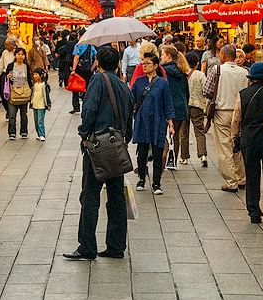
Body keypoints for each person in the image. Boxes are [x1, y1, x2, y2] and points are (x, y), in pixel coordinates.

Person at [64, 46, 133, 261]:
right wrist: (124, 140)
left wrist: (84, 134)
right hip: (117, 145)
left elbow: (90, 109)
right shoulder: (123, 85)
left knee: (90, 194)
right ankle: (116, 246)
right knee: (116, 196)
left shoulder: (98, 80)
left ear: (98, 62)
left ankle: (87, 246)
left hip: (98, 145)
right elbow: (130, 113)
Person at [236, 61, 263, 222]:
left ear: (252, 78)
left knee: (252, 176)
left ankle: (254, 211)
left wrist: (236, 138)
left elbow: (237, 118)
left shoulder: (243, 94)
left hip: (249, 140)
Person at [206, 44, 249, 192]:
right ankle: (242, 178)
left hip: (222, 111)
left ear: (223, 56)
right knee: (237, 145)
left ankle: (232, 182)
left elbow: (207, 90)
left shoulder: (217, 70)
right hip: (239, 113)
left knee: (225, 147)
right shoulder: (244, 72)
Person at [131, 52, 175, 195]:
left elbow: (167, 103)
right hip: (142, 120)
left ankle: (156, 183)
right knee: (142, 152)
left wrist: (171, 123)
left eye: (147, 63)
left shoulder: (163, 83)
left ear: (156, 66)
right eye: (143, 63)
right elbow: (132, 100)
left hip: (158, 120)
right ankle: (141, 179)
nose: (144, 65)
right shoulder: (138, 82)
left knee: (158, 153)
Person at [161, 46, 192, 170]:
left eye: (162, 54)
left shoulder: (163, 71)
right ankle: (172, 161)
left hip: (166, 106)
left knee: (162, 133)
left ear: (168, 56)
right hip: (180, 106)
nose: (161, 57)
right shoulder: (182, 71)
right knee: (176, 134)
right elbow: (186, 92)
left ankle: (163, 158)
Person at [183, 49, 210, 168]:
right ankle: (203, 155)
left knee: (183, 133)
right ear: (197, 63)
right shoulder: (200, 75)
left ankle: (184, 158)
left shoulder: (182, 74)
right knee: (199, 131)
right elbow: (206, 89)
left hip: (184, 106)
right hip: (198, 106)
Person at [1, 46, 32, 140]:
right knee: (12, 115)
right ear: (15, 55)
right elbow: (6, 78)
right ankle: (12, 133)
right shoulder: (11, 66)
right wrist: (8, 76)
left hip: (24, 92)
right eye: (18, 54)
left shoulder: (26, 66)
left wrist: (31, 90)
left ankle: (24, 132)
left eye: (22, 54)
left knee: (24, 115)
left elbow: (29, 79)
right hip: (13, 92)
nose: (21, 56)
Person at [70, 39, 95, 114]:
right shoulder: (91, 46)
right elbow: (96, 58)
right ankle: (86, 105)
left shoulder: (78, 45)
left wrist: (73, 69)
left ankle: (76, 106)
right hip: (88, 70)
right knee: (87, 88)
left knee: (75, 88)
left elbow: (76, 57)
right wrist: (92, 68)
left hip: (79, 70)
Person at [30, 67, 53, 141]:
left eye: (36, 74)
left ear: (41, 75)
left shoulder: (44, 85)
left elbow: (46, 96)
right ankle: (38, 133)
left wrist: (48, 104)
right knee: (36, 121)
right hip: (35, 105)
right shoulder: (35, 85)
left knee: (40, 121)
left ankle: (42, 134)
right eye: (34, 74)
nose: (35, 76)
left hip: (41, 105)